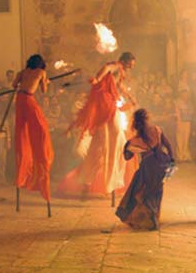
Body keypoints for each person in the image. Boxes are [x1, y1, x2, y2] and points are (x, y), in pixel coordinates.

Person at [58, 52, 135, 197]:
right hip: (106, 104)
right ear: (125, 61)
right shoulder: (116, 66)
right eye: (131, 63)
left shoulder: (121, 72)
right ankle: (103, 180)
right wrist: (98, 79)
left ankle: (87, 182)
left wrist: (130, 97)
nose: (132, 66)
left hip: (108, 104)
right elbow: (107, 67)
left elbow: (120, 86)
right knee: (116, 140)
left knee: (100, 146)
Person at [115, 109, 174, 230]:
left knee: (139, 193)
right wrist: (172, 162)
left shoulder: (135, 141)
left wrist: (126, 146)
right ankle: (152, 218)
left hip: (147, 168)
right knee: (156, 192)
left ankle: (150, 219)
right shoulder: (157, 130)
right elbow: (168, 146)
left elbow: (127, 157)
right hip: (162, 165)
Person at [12, 55, 55, 203]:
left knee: (22, 131)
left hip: (19, 99)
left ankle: (22, 174)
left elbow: (14, 85)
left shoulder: (22, 72)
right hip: (29, 99)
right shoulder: (41, 73)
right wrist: (46, 83)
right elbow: (43, 91)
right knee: (41, 126)